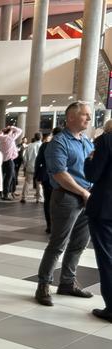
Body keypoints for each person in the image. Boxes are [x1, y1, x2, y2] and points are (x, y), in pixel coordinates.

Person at [35, 102, 94, 307]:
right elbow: (60, 174)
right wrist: (83, 192)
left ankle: (67, 283)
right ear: (70, 118)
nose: (89, 118)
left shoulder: (86, 142)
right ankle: (43, 285)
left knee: (79, 244)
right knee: (58, 244)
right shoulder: (58, 143)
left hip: (87, 197)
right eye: (85, 115)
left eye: (89, 115)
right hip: (67, 198)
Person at [85, 127, 112, 322]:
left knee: (107, 258)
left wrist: (88, 160)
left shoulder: (106, 141)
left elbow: (93, 175)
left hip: (105, 208)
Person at [34, 129, 59, 233]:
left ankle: (49, 224)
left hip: (47, 177)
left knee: (48, 201)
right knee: (59, 201)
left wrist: (37, 176)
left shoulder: (45, 145)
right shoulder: (64, 144)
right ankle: (57, 224)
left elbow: (38, 161)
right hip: (60, 178)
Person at [0, 125, 23, 200]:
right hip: (9, 161)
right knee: (8, 178)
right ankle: (5, 195)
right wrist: (11, 127)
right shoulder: (11, 138)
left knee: (1, 178)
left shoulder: (0, 138)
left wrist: (3, 130)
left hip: (1, 161)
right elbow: (20, 130)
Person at [21, 132, 43, 204]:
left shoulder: (29, 146)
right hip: (39, 167)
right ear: (41, 137)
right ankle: (39, 198)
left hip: (30, 166)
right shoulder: (42, 145)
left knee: (27, 182)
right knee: (39, 183)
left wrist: (25, 165)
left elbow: (25, 157)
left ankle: (24, 197)